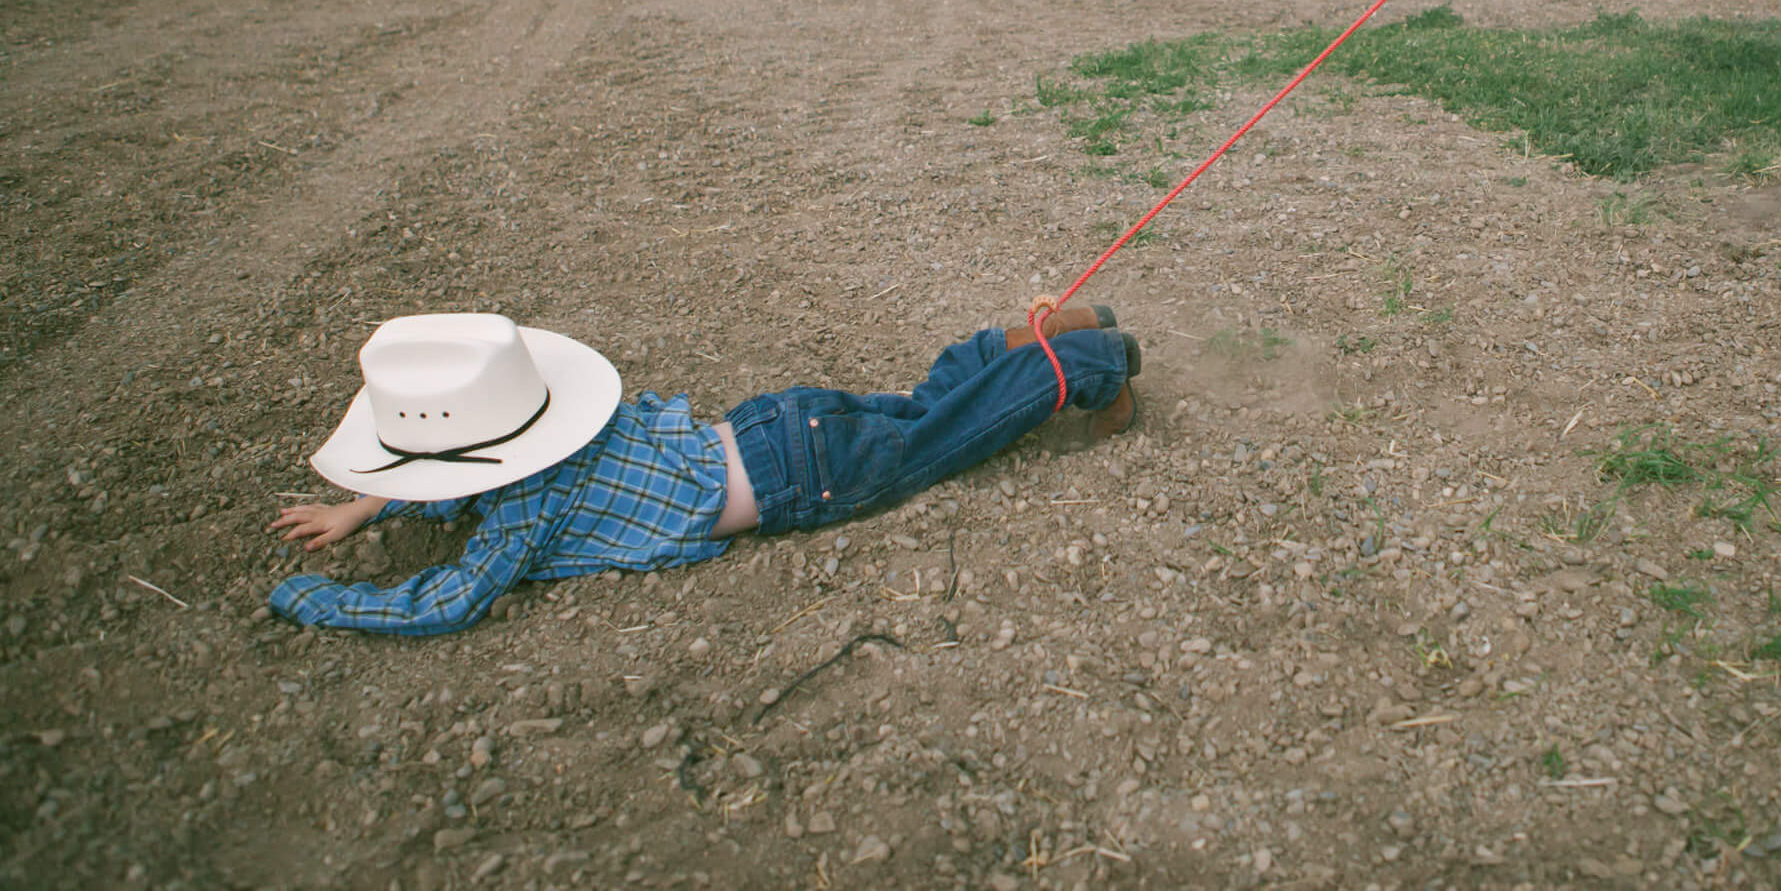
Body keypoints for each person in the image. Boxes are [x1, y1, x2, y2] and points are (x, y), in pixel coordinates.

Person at [265, 306, 1139, 635]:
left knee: (951, 437)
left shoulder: (522, 517)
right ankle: (1009, 343)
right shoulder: (562, 431)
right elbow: (455, 455)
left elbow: (447, 599)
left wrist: (316, 598)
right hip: (771, 420)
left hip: (800, 481)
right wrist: (364, 510)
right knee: (920, 410)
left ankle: (1092, 364)